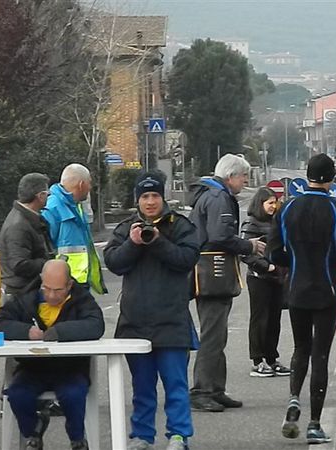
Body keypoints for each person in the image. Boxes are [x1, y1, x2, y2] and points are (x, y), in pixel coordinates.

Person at [104, 171, 200, 450]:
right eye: (144, 196)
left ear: (162, 197)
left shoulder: (180, 226)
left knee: (175, 384)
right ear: (137, 199)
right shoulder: (126, 228)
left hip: (171, 320)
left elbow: (186, 259)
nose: (149, 202)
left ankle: (179, 435)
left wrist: (157, 240)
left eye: (154, 195)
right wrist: (133, 243)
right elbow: (114, 262)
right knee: (142, 387)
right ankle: (143, 435)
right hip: (135, 321)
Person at [268, 153, 336, 444]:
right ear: (332, 179)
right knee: (321, 354)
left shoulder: (288, 207)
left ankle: (294, 397)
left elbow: (275, 252)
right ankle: (315, 423)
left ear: (306, 177)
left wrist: (293, 261)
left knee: (300, 348)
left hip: (296, 289)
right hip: (327, 289)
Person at [0, 259, 104, 450]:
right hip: (32, 368)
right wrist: (26, 331)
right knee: (17, 394)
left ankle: (77, 439)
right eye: (47, 288)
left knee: (73, 395)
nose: (51, 295)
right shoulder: (26, 298)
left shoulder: (81, 299)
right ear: (41, 280)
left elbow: (95, 324)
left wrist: (60, 332)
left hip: (71, 368)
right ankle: (33, 432)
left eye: (58, 290)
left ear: (69, 285)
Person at [188, 154, 265, 412]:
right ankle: (201, 390)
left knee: (218, 333)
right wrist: (248, 245)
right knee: (212, 333)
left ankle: (215, 388)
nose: (245, 181)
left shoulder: (212, 193)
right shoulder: (218, 197)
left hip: (212, 271)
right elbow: (220, 235)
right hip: (213, 273)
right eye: (243, 176)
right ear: (231, 176)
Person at [240, 187, 289, 378]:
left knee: (274, 319)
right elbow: (246, 253)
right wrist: (266, 267)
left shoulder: (277, 222)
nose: (273, 206)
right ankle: (258, 360)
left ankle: (271, 358)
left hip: (277, 278)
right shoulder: (251, 223)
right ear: (260, 204)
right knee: (260, 319)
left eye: (275, 202)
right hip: (259, 278)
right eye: (269, 203)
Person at [42, 164, 106, 295]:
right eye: (89, 183)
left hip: (77, 284)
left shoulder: (75, 206)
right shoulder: (53, 207)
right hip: (61, 286)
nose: (90, 188)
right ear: (81, 184)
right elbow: (45, 248)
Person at [0, 173, 55, 297]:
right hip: (21, 294)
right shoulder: (18, 225)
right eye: (48, 194)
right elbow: (19, 265)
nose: (49, 197)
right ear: (40, 196)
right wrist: (48, 263)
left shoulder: (28, 218)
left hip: (27, 290)